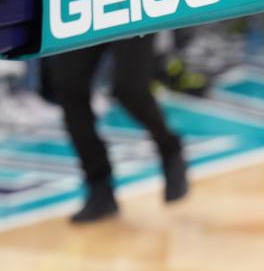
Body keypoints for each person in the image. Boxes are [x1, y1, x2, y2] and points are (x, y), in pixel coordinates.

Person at [49, 34, 188, 223]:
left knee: (130, 90)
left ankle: (170, 147)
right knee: (69, 89)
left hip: (127, 7)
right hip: (80, 6)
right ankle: (99, 186)